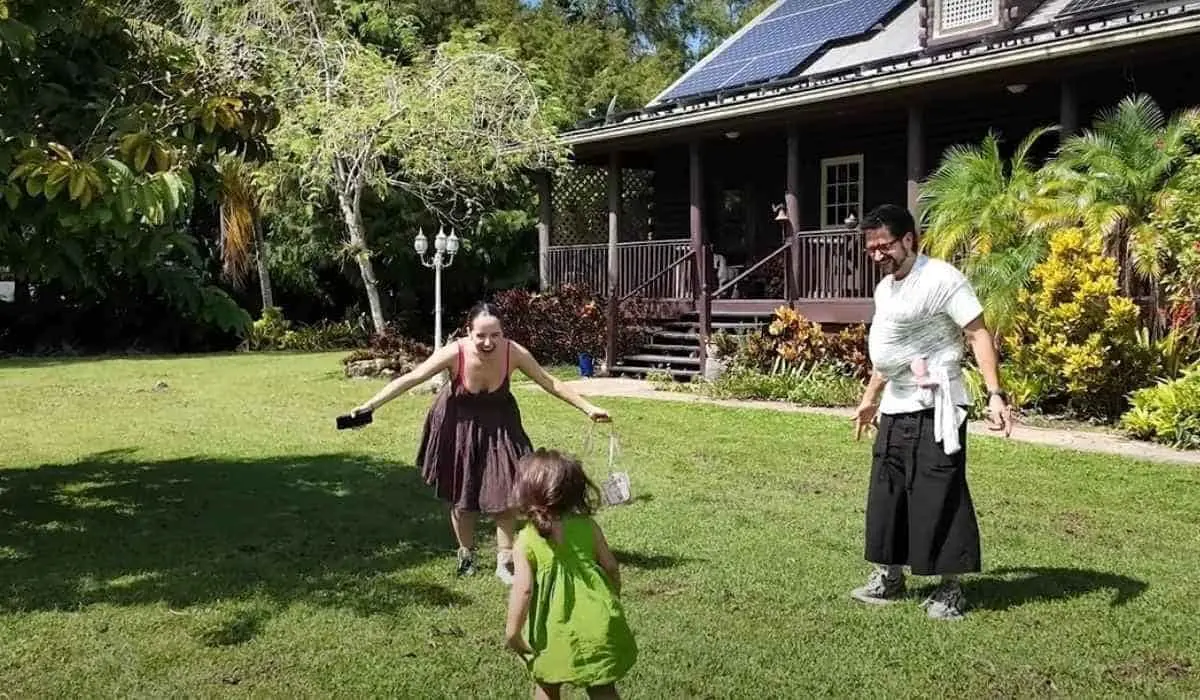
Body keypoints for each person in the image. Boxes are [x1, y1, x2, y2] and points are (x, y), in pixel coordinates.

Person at [349, 302, 611, 584]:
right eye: (481, 336)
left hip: (500, 424)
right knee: (463, 496)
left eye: (495, 335)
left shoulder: (514, 352)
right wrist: (370, 406)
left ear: (502, 333)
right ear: (468, 332)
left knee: (508, 491)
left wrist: (588, 407)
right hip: (458, 425)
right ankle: (466, 554)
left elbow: (551, 382)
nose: (489, 343)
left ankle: (505, 560)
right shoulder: (454, 353)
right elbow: (412, 378)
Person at [850, 203, 1014, 620]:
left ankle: (951, 589)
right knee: (886, 494)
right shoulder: (886, 288)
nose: (877, 255)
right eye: (870, 248)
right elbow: (888, 355)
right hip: (896, 404)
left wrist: (995, 394)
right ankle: (889, 576)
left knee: (939, 494)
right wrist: (870, 398)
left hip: (937, 405)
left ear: (909, 239)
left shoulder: (942, 278)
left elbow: (977, 334)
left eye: (883, 246)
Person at [504, 448, 637, 700]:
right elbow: (610, 566)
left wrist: (513, 633)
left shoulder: (526, 540)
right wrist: (613, 596)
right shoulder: (588, 526)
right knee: (601, 685)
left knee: (546, 684)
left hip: (550, 628)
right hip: (597, 621)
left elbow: (523, 589)